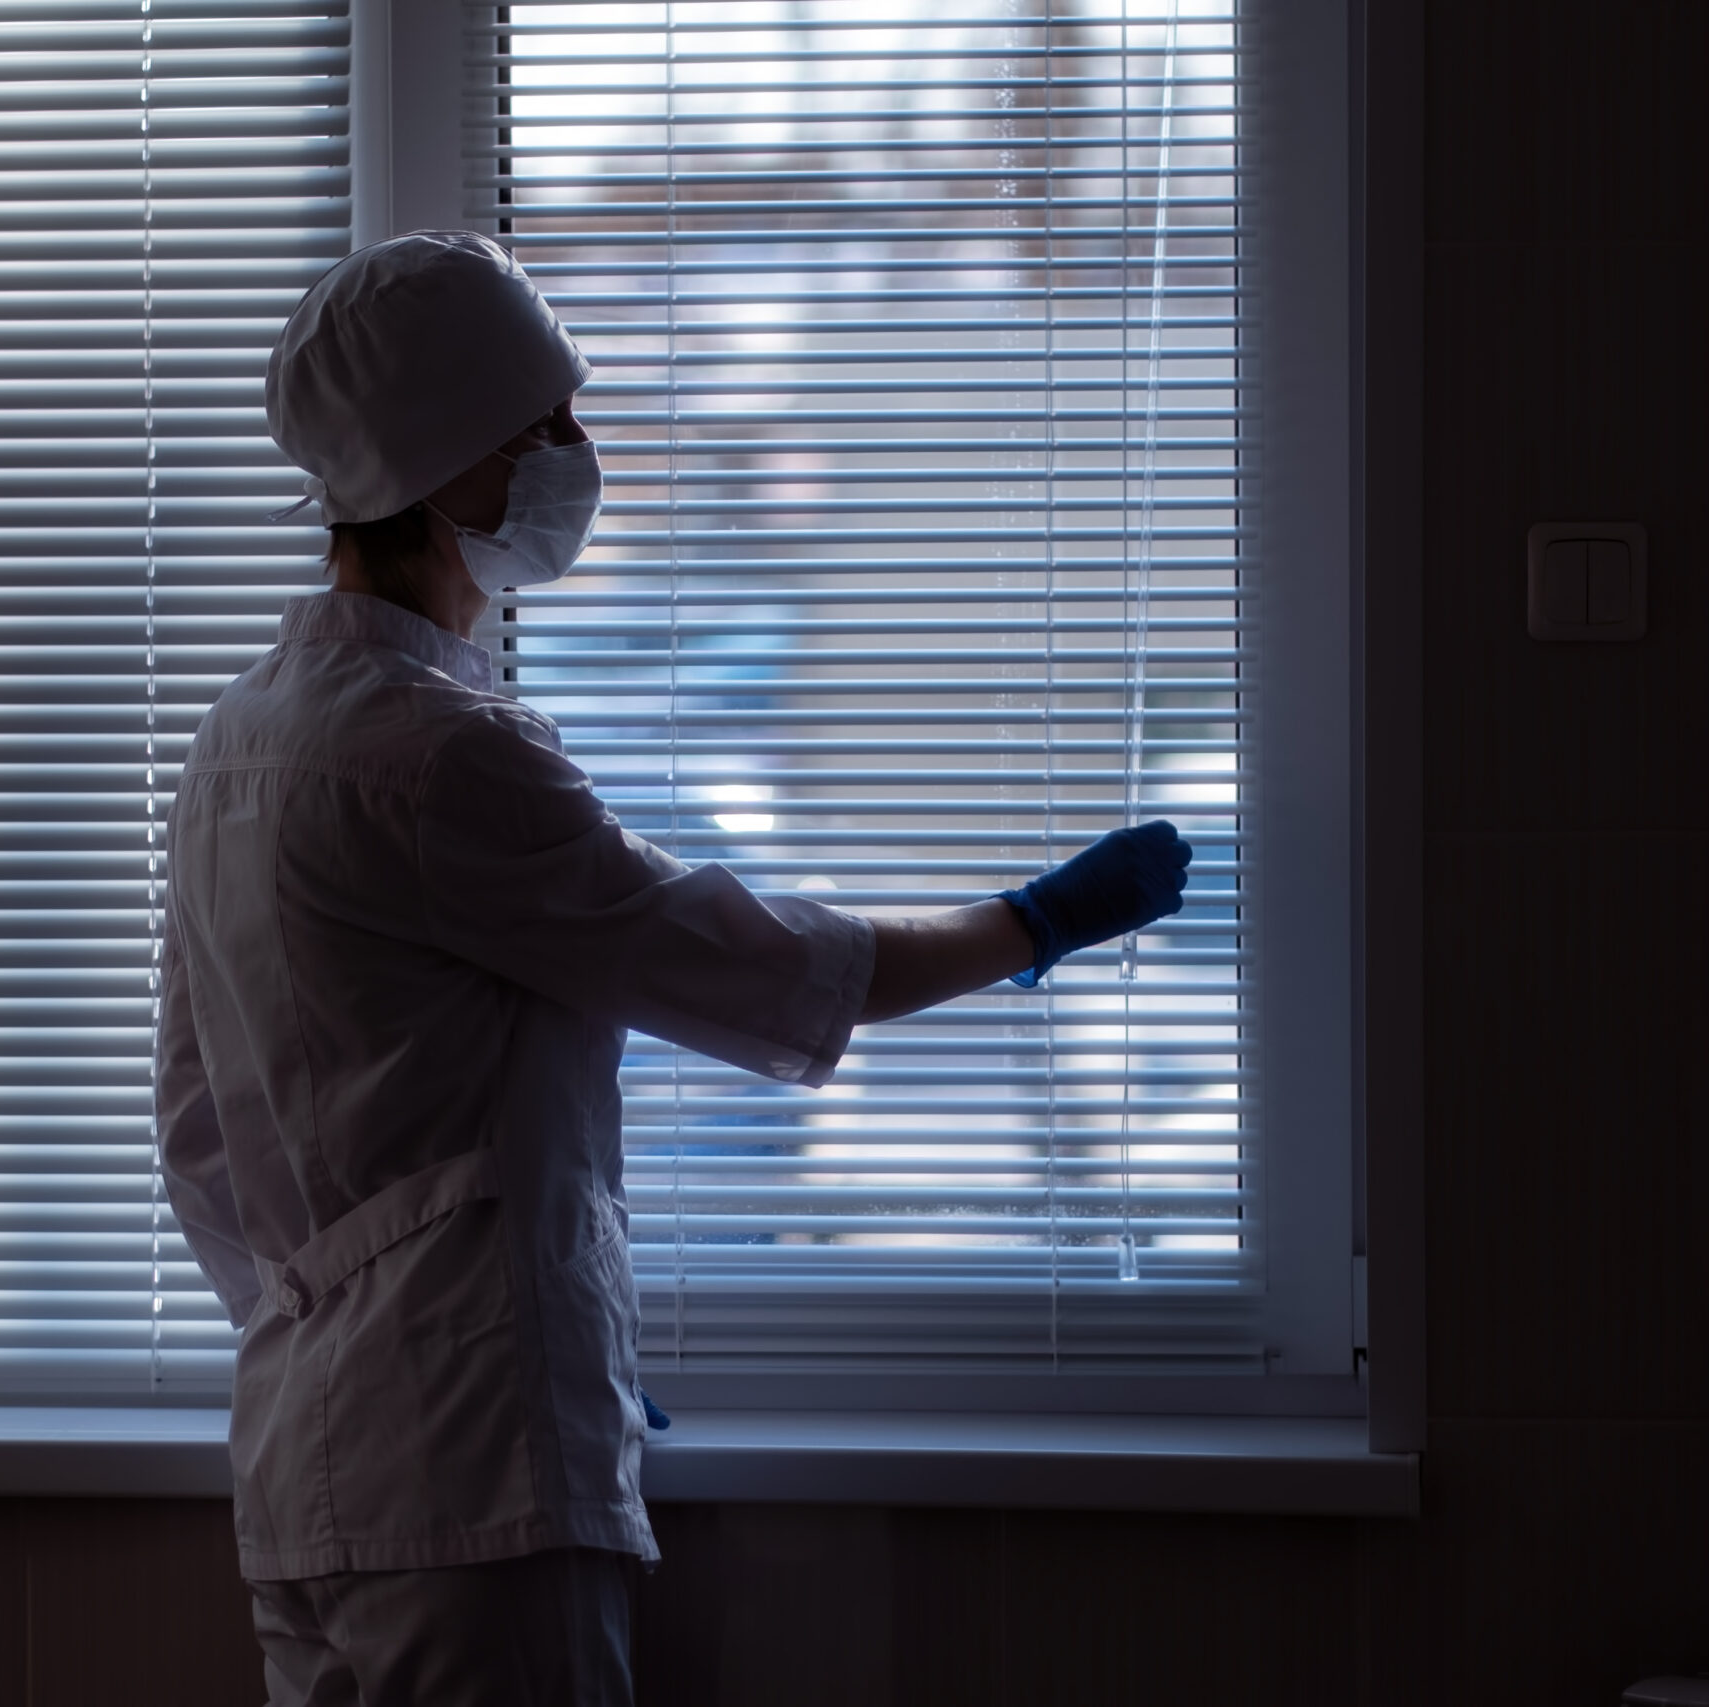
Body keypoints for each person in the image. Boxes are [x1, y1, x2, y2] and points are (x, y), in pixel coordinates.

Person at [156, 230, 1191, 1707]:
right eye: (549, 427)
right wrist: (1032, 924)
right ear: (446, 472)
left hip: (303, 1473)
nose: (581, 455)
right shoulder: (440, 755)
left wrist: (363, 1333)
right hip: (474, 1476)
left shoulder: (235, 745)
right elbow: (747, 965)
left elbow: (199, 1139)